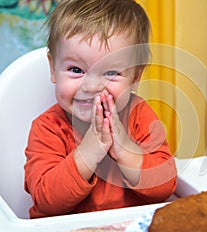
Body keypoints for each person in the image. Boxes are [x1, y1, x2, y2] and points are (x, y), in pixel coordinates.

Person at [24, 0, 177, 218]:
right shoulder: (47, 128)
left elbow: (164, 187)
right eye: (76, 69)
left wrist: (123, 148)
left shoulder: (139, 115)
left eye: (111, 73)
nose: (92, 86)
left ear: (135, 77)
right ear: (53, 68)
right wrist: (89, 151)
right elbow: (46, 201)